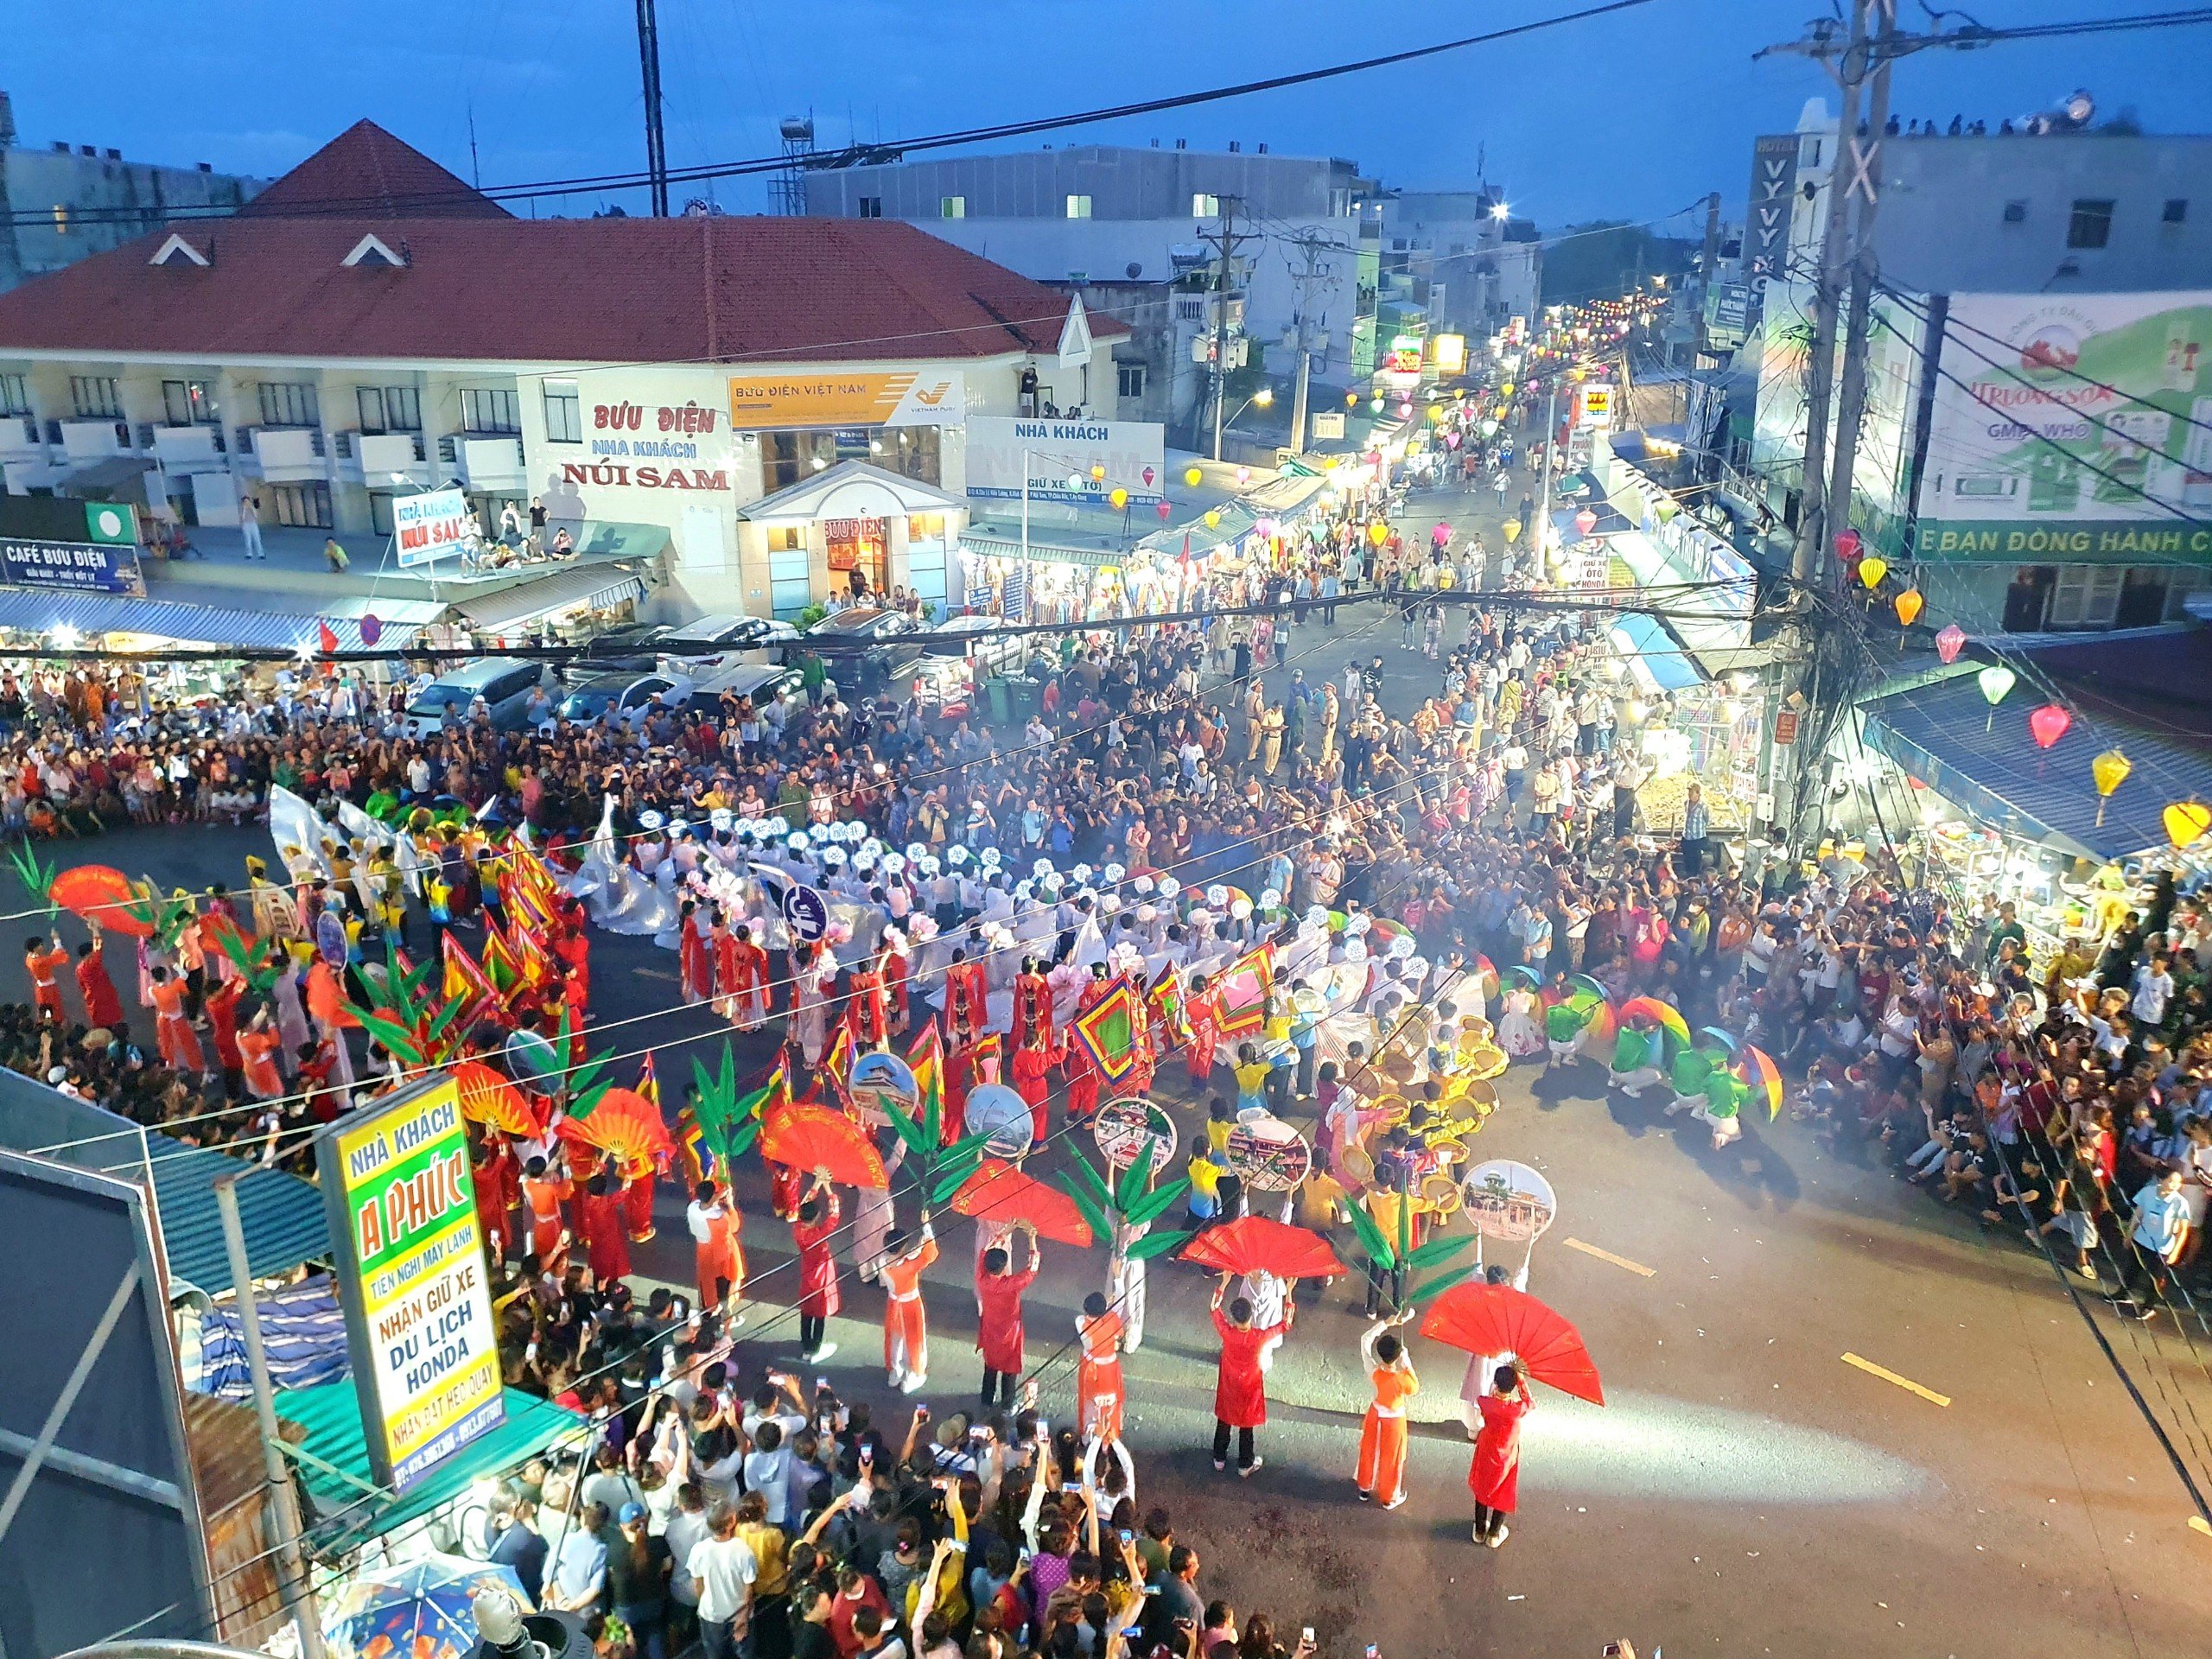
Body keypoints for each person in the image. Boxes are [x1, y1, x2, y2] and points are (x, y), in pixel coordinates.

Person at [1209, 1274, 1288, 1478]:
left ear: (1233, 1317)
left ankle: (1219, 1458)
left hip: (1228, 1381)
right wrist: (1291, 1292)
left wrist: (1225, 1281)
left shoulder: (1227, 1332)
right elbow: (1285, 1324)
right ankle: (1245, 1464)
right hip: (1250, 1385)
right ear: (1251, 1315)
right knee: (1246, 1424)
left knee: (1224, 1419)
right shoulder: (1259, 1337)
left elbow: (1214, 1308)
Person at [1354, 1312, 1418, 1509]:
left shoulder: (1374, 1371)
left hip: (1375, 1414)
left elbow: (1365, 1341)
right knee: (1392, 1458)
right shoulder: (1401, 1380)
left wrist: (1385, 1324)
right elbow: (1414, 1388)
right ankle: (1389, 1497)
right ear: (1397, 1356)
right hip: (1394, 1421)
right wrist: (1407, 1365)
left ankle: (1365, 1487)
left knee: (1369, 1450)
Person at [974, 1226, 1039, 1410]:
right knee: (1009, 1370)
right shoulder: (1010, 1285)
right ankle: (1007, 1405)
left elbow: (983, 1252)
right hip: (1010, 1333)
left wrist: (1001, 1236)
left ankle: (986, 1400)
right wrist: (1032, 1239)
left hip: (989, 1329)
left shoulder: (981, 1279)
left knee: (990, 1366)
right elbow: (1032, 1270)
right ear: (1004, 1267)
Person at [685, 1501, 759, 1659]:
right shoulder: (743, 1550)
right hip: (738, 1615)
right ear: (732, 1522)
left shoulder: (699, 1550)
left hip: (711, 1615)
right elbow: (748, 1588)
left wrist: (704, 1604)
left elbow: (698, 1585)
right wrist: (744, 1617)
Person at [1469, 1363, 1531, 1548]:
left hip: (1486, 1450)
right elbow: (1530, 1402)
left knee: (1482, 1487)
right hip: (1507, 1455)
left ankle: (1479, 1530)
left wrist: (1493, 1392)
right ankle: (1494, 1534)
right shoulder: (1517, 1410)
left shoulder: (1486, 1403)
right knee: (1504, 1489)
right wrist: (1521, 1379)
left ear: (1495, 1383)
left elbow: (1483, 1404)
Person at [879, 1212, 938, 1392]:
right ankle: (914, 1374)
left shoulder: (883, 1262)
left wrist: (916, 1249)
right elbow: (930, 1254)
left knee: (895, 1339)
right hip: (910, 1305)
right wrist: (926, 1226)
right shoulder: (909, 1265)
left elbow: (908, 1258)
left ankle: (895, 1372)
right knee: (915, 1340)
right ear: (904, 1247)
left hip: (893, 1304)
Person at [1077, 1289, 1127, 1443]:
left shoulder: (1082, 1323)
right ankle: (1111, 1437)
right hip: (1111, 1368)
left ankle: (1089, 1438)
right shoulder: (1112, 1319)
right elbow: (1119, 1332)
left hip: (1092, 1368)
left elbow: (1087, 1341)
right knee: (1111, 1402)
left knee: (1090, 1402)